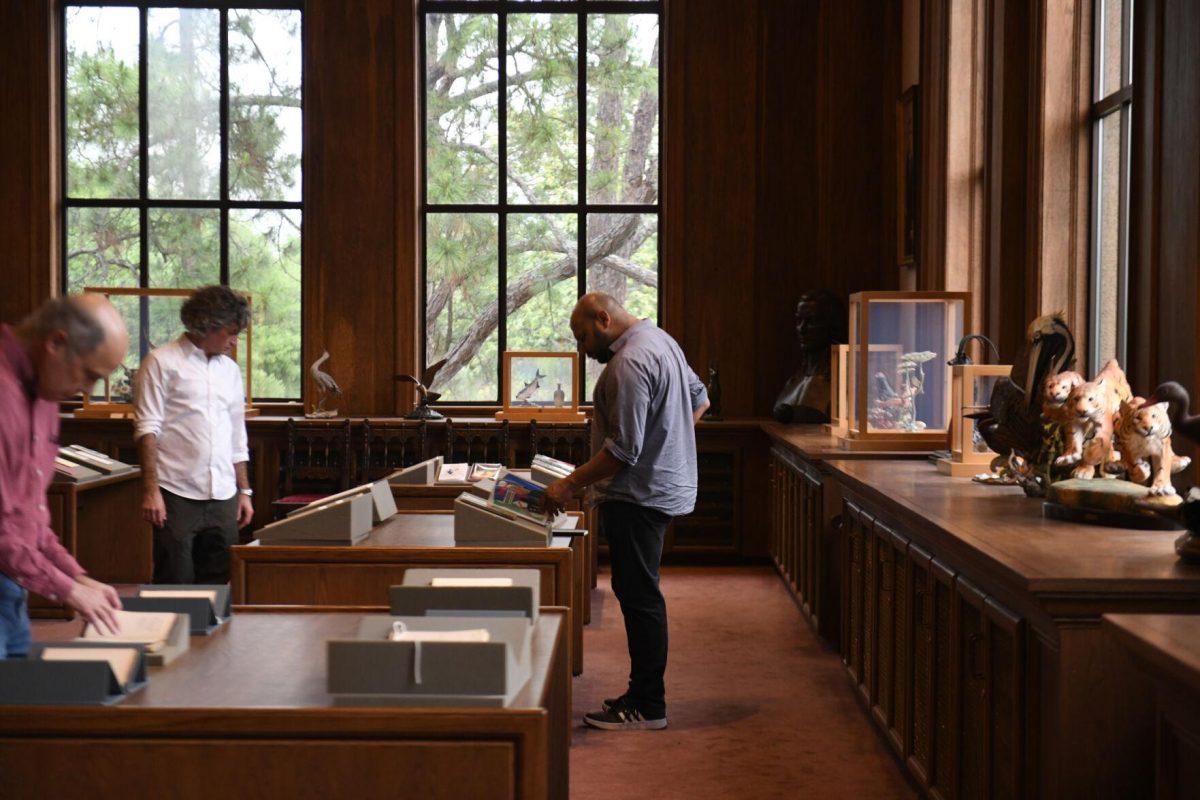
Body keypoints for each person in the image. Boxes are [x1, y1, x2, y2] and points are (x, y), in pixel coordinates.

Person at [544, 293, 709, 730]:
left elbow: (622, 451)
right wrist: (668, 439)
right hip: (657, 488)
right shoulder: (662, 341)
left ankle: (648, 704)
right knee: (640, 592)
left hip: (638, 496)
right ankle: (644, 697)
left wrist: (569, 483)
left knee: (640, 598)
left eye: (583, 337)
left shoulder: (629, 363)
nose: (583, 348)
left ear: (604, 318)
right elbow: (701, 398)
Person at [0, 295, 129, 656]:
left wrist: (76, 576)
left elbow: (28, 517)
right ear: (56, 342)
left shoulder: (43, 392)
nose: (87, 391)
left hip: (12, 583)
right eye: (88, 375)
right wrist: (67, 589)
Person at [134, 286, 254, 585]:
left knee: (221, 585)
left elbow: (237, 435)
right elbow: (147, 429)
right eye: (230, 331)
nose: (234, 340)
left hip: (224, 494)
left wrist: (245, 491)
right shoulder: (160, 362)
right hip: (176, 494)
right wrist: (152, 492)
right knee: (174, 582)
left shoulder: (231, 371)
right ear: (208, 325)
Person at [771, 289, 846, 424]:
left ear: (831, 325)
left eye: (812, 321)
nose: (802, 328)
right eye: (799, 320)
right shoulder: (797, 378)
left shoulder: (842, 380)